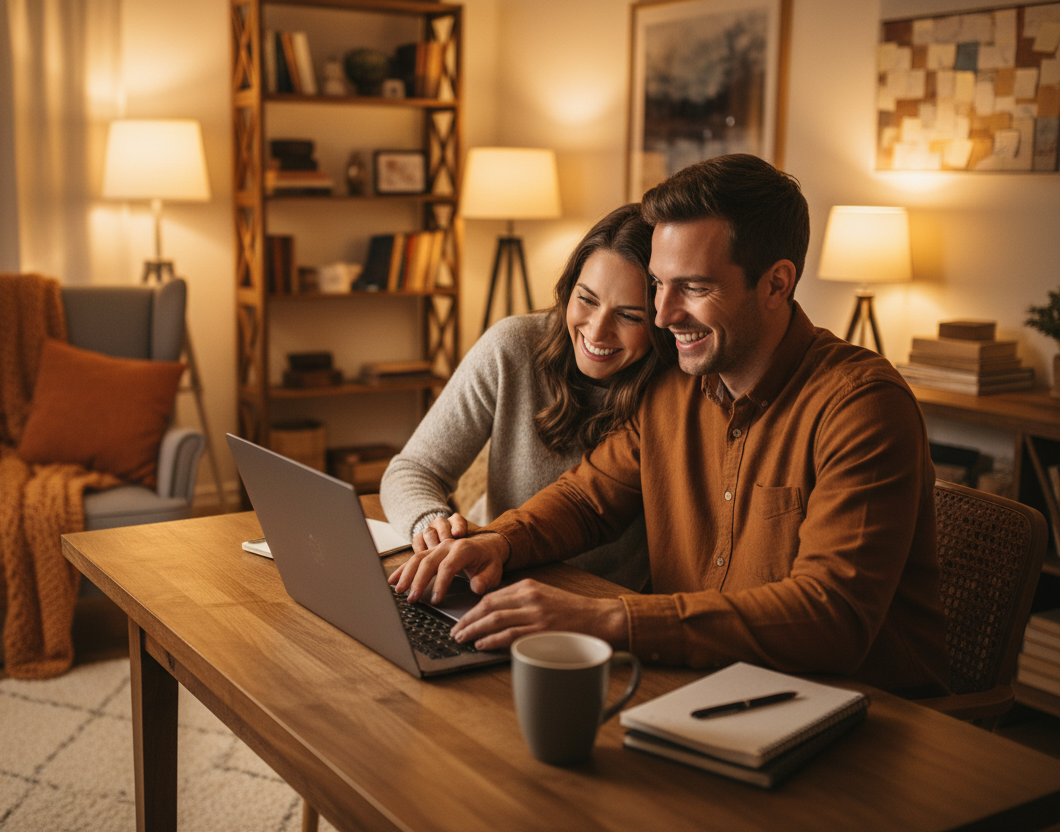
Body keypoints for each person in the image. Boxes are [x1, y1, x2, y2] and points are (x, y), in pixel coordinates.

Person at [390, 154, 950, 695]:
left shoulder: (861, 407)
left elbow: (832, 617)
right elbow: (587, 502)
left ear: (777, 284)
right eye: (658, 285)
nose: (662, 315)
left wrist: (610, 620)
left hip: (856, 712)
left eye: (695, 288)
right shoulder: (675, 386)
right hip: (708, 686)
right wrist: (498, 543)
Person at [380, 204, 673, 591]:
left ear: (662, 320)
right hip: (492, 579)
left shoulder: (675, 391)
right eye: (586, 299)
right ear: (569, 288)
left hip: (600, 601)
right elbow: (411, 469)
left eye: (630, 316)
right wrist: (433, 527)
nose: (597, 331)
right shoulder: (513, 347)